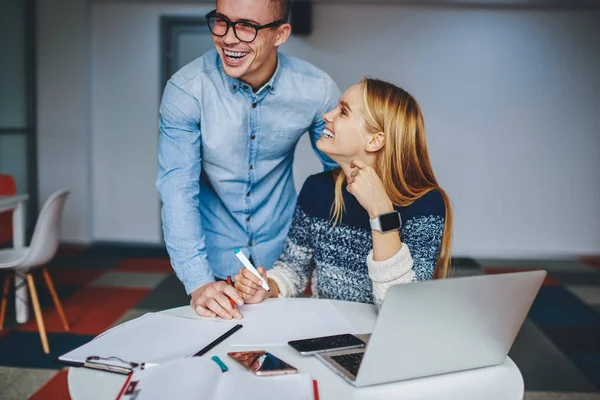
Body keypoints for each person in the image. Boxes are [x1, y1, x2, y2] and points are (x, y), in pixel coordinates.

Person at [156, 0, 339, 320]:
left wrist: (339, 258)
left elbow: (342, 176)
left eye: (246, 27)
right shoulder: (186, 90)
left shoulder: (315, 89)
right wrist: (198, 281)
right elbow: (177, 190)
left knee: (285, 358)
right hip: (213, 260)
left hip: (284, 262)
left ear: (280, 34)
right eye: (221, 21)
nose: (228, 38)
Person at [234, 78, 453, 308]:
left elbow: (402, 309)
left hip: (385, 341)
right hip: (326, 339)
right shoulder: (317, 189)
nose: (327, 116)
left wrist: (380, 213)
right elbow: (293, 269)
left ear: (375, 140)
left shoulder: (426, 205)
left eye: (343, 112)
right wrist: (267, 286)